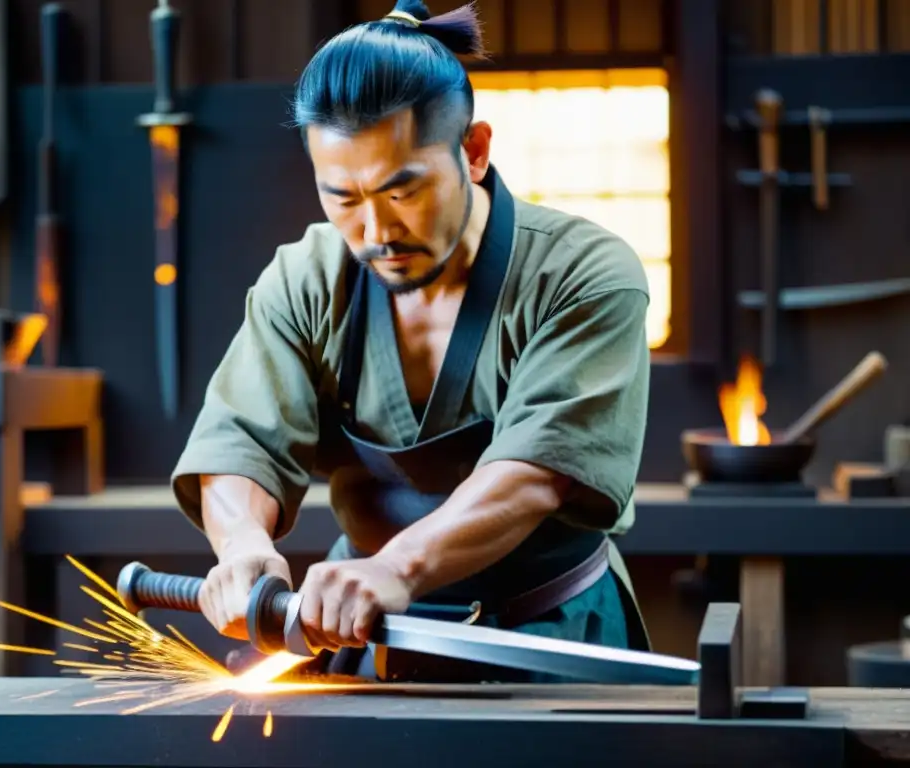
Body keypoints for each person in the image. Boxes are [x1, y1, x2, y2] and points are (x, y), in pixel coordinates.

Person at [171, 0, 652, 682]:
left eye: (404, 191)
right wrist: (241, 543)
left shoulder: (584, 274)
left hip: (552, 635)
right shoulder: (306, 278)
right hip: (365, 633)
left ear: (475, 151)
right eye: (343, 198)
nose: (376, 231)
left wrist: (397, 567)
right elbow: (241, 440)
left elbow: (532, 477)